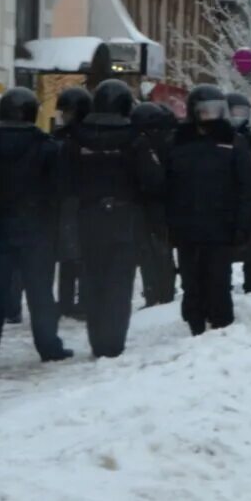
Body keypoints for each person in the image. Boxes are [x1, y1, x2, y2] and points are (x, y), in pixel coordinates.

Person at [0, 86, 71, 363]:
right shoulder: (47, 147)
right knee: (40, 293)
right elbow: (58, 190)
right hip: (36, 230)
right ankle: (48, 346)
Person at [57, 80, 152, 358]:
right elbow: (152, 179)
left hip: (88, 218)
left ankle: (98, 341)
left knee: (93, 281)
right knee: (119, 285)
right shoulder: (135, 138)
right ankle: (114, 343)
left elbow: (64, 180)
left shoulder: (76, 137)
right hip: (123, 218)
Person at [163, 84, 251, 338]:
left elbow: (246, 187)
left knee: (218, 280)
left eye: (216, 110)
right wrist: (169, 224)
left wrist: (242, 225)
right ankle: (194, 324)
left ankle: (221, 327)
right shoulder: (178, 142)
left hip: (221, 225)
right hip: (187, 225)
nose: (211, 116)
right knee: (191, 281)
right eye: (205, 111)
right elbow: (167, 185)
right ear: (194, 112)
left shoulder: (233, 142)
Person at [48, 85, 92, 320]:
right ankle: (68, 300)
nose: (64, 116)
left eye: (67, 112)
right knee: (69, 253)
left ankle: (78, 300)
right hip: (70, 200)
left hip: (76, 200)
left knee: (77, 253)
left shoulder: (79, 137)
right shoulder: (66, 136)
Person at [130, 99, 178, 309]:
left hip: (150, 206)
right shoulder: (168, 142)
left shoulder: (144, 145)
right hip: (161, 205)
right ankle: (162, 292)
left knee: (152, 252)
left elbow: (151, 178)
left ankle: (157, 294)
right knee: (159, 251)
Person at [227, 93, 251, 296]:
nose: (238, 116)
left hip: (248, 200)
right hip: (225, 201)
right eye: (234, 112)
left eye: (242, 112)